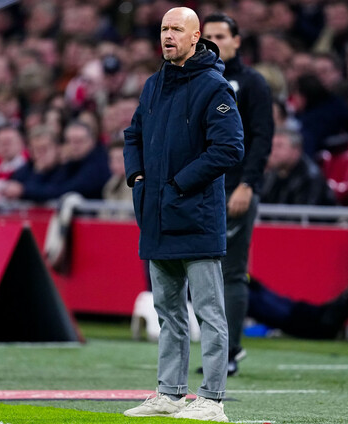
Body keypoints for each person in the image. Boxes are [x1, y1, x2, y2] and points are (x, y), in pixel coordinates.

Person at [123, 7, 244, 422]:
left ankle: (212, 399)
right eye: (164, 28)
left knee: (209, 312)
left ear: (196, 37)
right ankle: (170, 393)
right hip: (157, 214)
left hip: (196, 215)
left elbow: (230, 148)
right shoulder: (154, 84)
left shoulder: (214, 86)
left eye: (176, 29)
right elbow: (133, 134)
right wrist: (138, 178)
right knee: (168, 312)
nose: (168, 35)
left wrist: (178, 184)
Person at [202, 12, 274, 376]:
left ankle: (228, 351)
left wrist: (248, 184)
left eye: (220, 35)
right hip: (201, 186)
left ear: (236, 40)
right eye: (208, 36)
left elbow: (262, 137)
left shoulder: (252, 83)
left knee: (230, 272)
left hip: (234, 188)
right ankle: (213, 348)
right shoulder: (196, 77)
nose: (213, 42)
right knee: (200, 270)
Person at [260, 129, 336, 207]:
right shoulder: (272, 173)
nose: (272, 151)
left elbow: (304, 211)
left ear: (296, 151)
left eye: (279, 146)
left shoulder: (310, 177)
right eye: (272, 145)